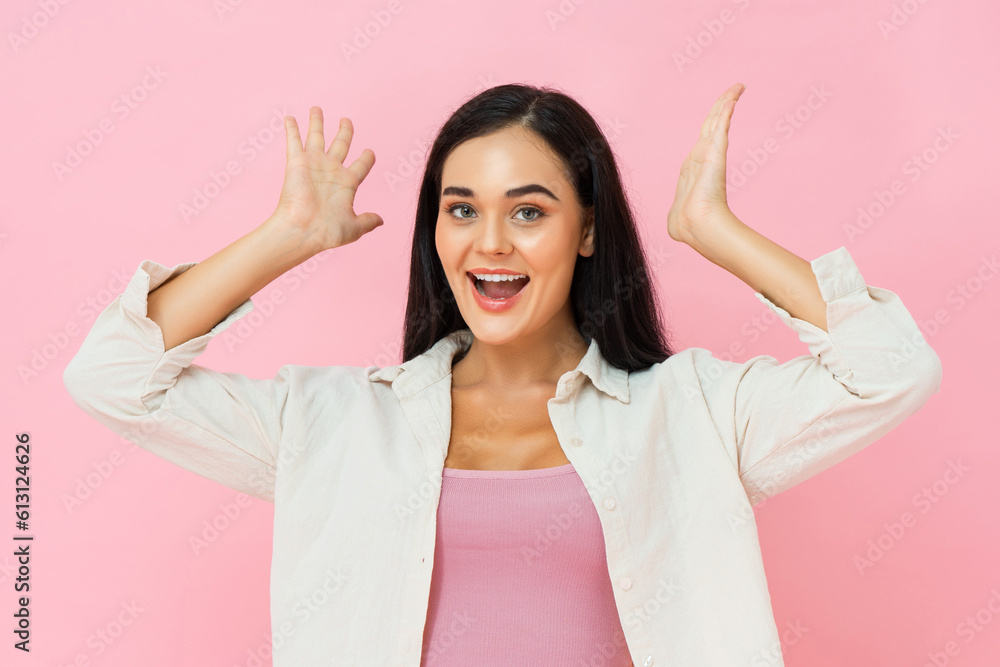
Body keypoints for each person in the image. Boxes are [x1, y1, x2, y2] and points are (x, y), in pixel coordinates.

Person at [63, 82, 942, 666]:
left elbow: (891, 369)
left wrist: (713, 230)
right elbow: (111, 375)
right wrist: (282, 239)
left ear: (588, 231)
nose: (490, 242)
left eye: (529, 210)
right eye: (462, 209)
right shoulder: (331, 423)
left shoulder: (693, 412)